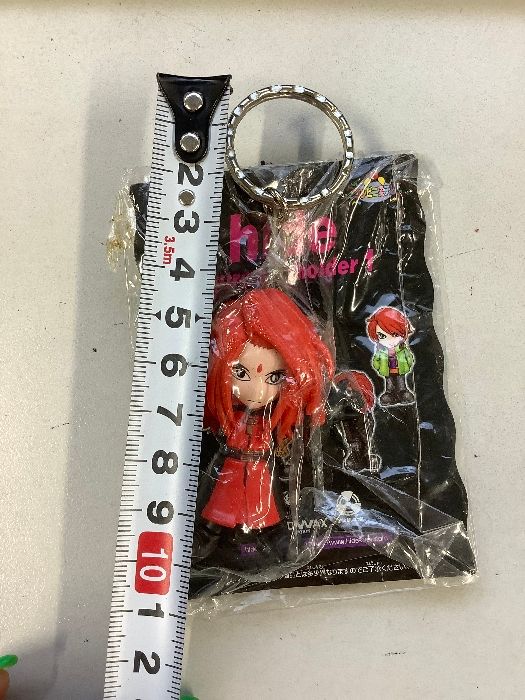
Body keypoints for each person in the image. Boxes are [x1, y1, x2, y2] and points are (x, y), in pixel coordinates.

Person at [366, 306, 415, 406]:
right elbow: (376, 360)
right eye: (382, 336)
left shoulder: (402, 349)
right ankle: (389, 394)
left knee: (401, 383)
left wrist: (408, 363)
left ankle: (403, 392)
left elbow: (409, 357)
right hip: (387, 371)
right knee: (389, 384)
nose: (390, 340)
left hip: (400, 370)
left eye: (395, 334)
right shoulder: (381, 351)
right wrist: (378, 366)